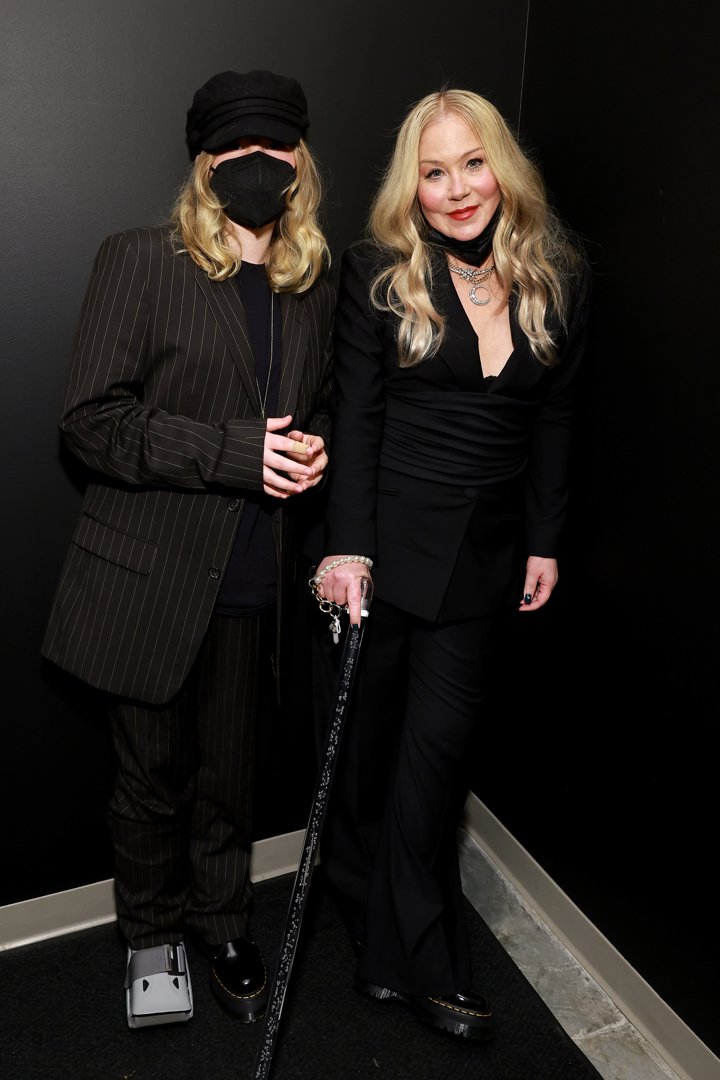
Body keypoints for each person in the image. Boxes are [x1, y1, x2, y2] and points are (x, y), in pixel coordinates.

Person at [41, 68, 334, 1029]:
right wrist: (229, 452)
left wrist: (314, 445)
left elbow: (308, 407)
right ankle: (152, 934)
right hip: (149, 576)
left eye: (275, 148)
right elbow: (90, 423)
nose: (258, 165)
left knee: (230, 773)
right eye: (235, 149)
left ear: (301, 161)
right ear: (204, 165)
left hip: (257, 571)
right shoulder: (139, 259)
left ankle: (222, 920)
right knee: (149, 778)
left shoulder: (311, 281)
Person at [309, 87, 591, 1043]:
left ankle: (415, 959)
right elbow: (357, 417)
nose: (458, 187)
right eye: (435, 171)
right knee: (364, 761)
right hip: (382, 561)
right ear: (413, 187)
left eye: (473, 162)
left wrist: (545, 538)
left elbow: (552, 418)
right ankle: (364, 910)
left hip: (482, 568)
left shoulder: (555, 275)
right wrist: (346, 548)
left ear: (502, 166)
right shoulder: (380, 273)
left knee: (432, 770)